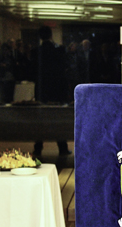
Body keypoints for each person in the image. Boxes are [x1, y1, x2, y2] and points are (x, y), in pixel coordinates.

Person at [30, 26, 71, 156]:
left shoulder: (36, 51)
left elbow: (32, 71)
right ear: (50, 35)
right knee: (58, 118)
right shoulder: (59, 50)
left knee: (40, 119)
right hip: (57, 89)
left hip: (42, 88)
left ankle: (38, 147)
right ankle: (62, 146)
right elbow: (65, 69)